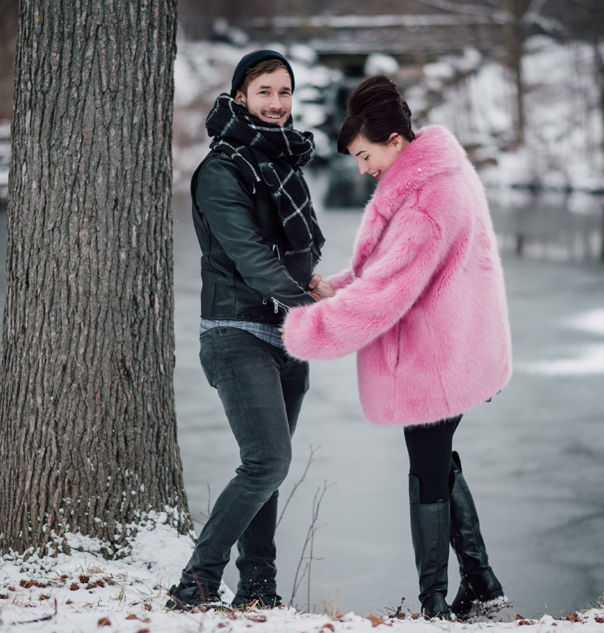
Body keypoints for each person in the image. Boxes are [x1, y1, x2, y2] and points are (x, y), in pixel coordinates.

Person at [281, 74, 513, 620]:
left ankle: (435, 605)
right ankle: (481, 583)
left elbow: (389, 290)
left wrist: (306, 327)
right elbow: (387, 267)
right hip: (457, 347)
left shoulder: (428, 198)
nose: (362, 169)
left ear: (395, 142)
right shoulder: (435, 175)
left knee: (428, 470)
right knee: (436, 463)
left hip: (437, 357)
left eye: (365, 156)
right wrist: (336, 286)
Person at [167, 50, 330, 611]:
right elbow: (252, 257)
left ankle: (259, 587)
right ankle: (196, 581)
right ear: (240, 97)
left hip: (288, 336)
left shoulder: (282, 162)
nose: (277, 103)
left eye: (285, 92)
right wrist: (307, 300)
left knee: (268, 469)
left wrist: (314, 291)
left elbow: (299, 249)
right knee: (268, 461)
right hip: (236, 332)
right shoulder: (221, 170)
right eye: (265, 92)